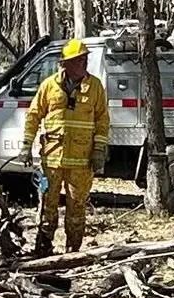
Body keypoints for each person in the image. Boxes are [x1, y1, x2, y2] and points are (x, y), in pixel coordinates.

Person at [23, 39, 111, 255]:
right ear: (67, 63)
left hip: (81, 162)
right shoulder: (49, 86)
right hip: (51, 160)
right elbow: (33, 115)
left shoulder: (95, 87)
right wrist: (26, 145)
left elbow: (102, 121)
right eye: (80, 59)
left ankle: (73, 252)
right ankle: (43, 249)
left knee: (77, 207)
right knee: (47, 205)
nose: (84, 62)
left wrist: (99, 149)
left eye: (85, 58)